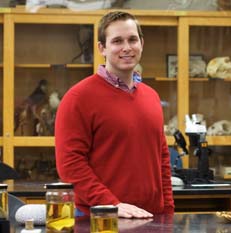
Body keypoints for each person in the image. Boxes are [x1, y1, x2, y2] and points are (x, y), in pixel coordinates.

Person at [55, 11, 174, 218]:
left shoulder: (152, 97)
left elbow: (161, 158)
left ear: (141, 44)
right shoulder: (78, 97)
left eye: (132, 39)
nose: (127, 48)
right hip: (100, 218)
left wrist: (168, 211)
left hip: (151, 218)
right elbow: (70, 165)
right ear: (102, 48)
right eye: (117, 41)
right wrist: (111, 204)